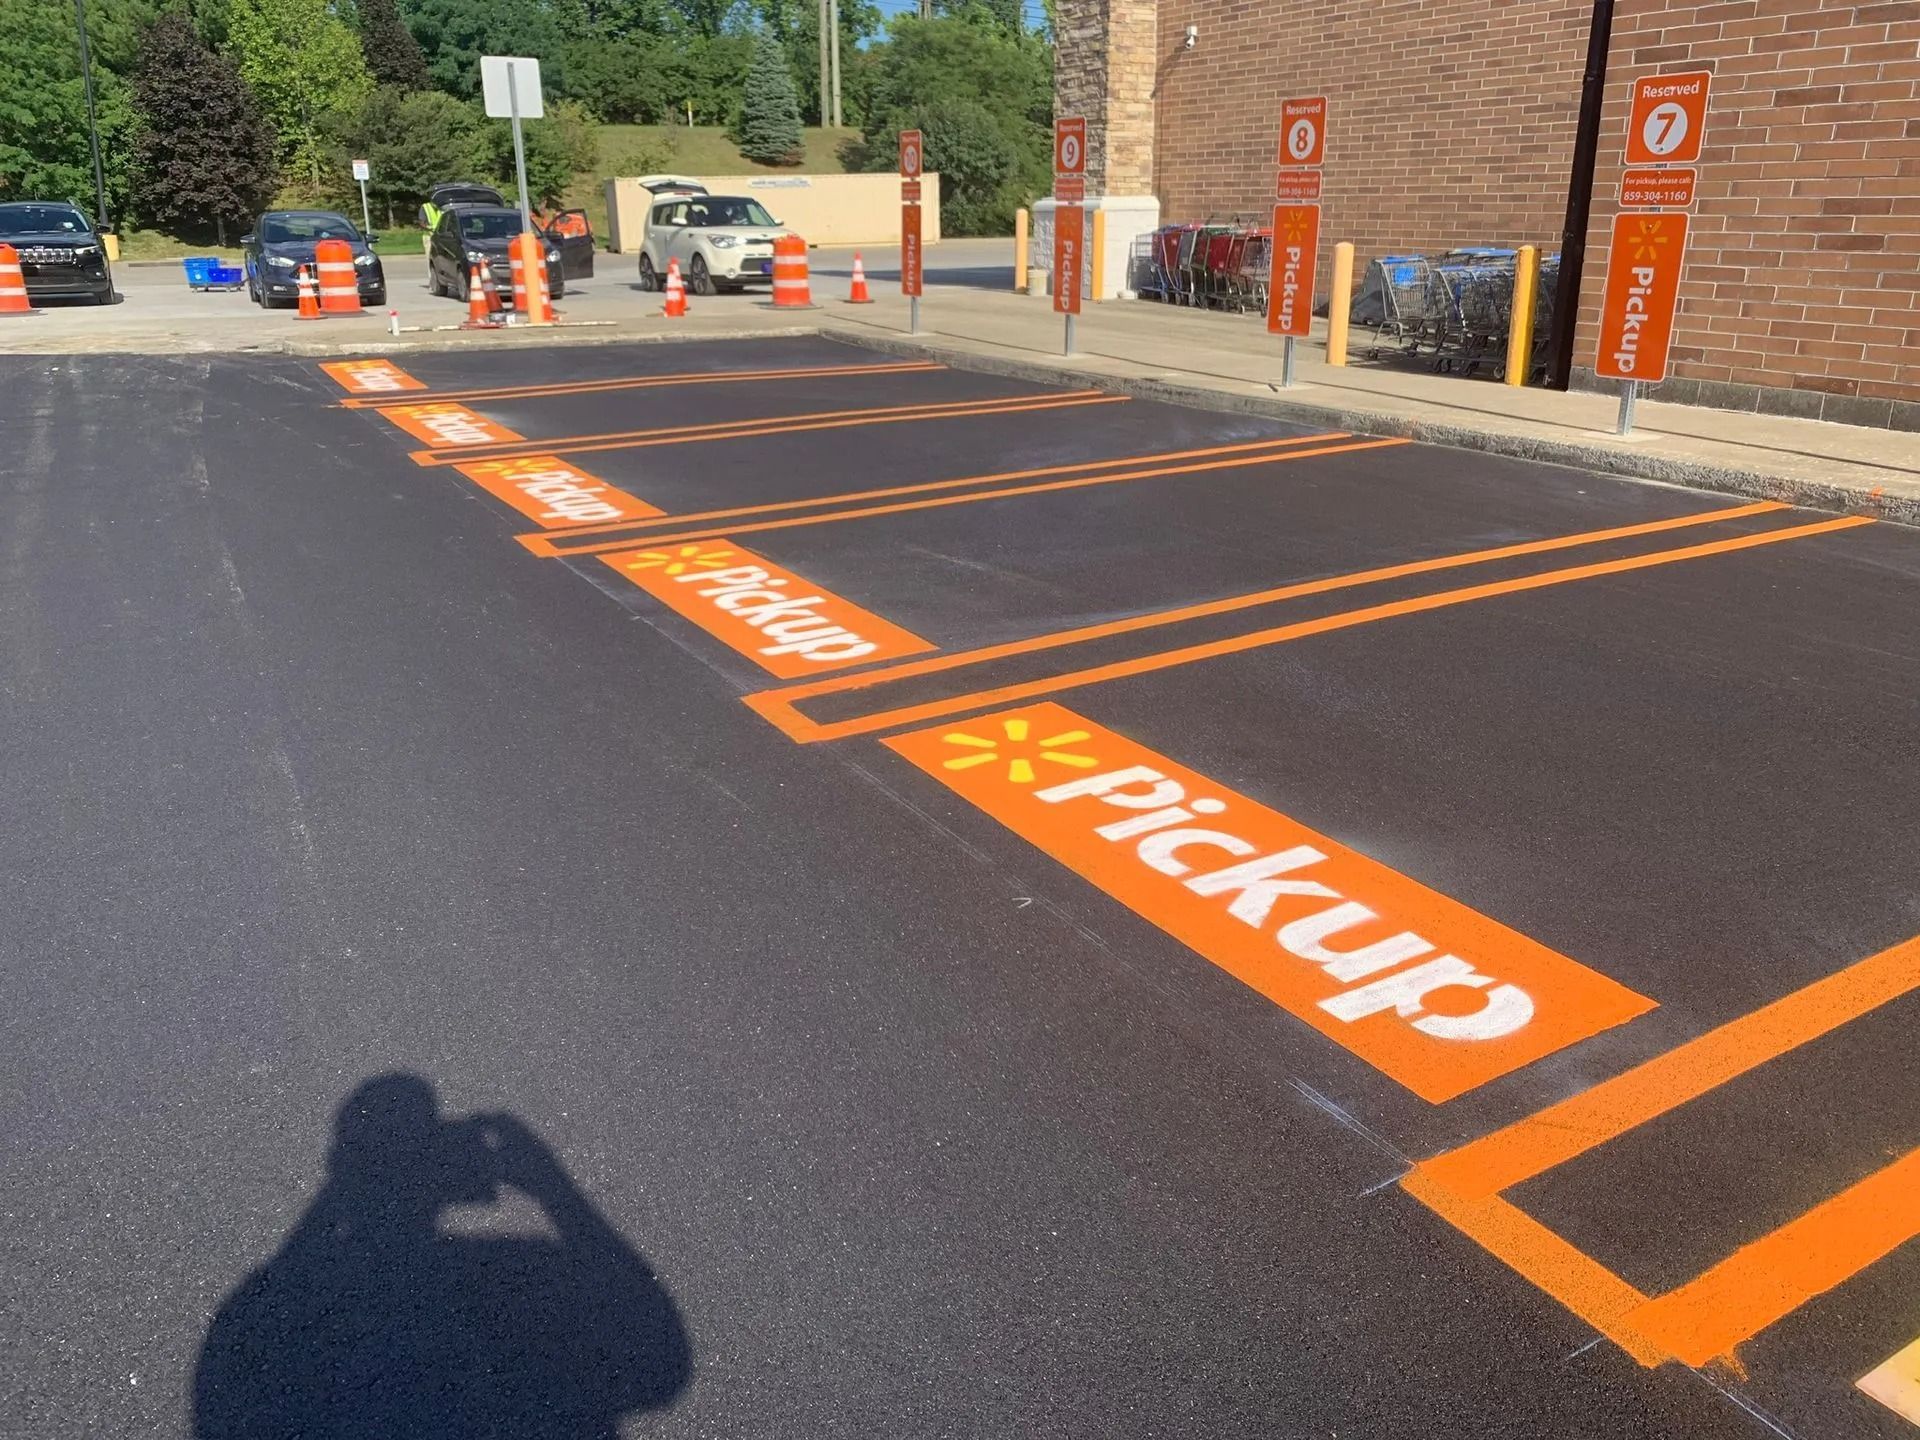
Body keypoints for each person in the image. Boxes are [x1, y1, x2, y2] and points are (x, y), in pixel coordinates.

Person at [194, 1075, 690, 1438]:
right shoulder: (510, 1270)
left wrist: (342, 1193)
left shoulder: (257, 1312)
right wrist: (549, 1184)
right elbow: (657, 1352)